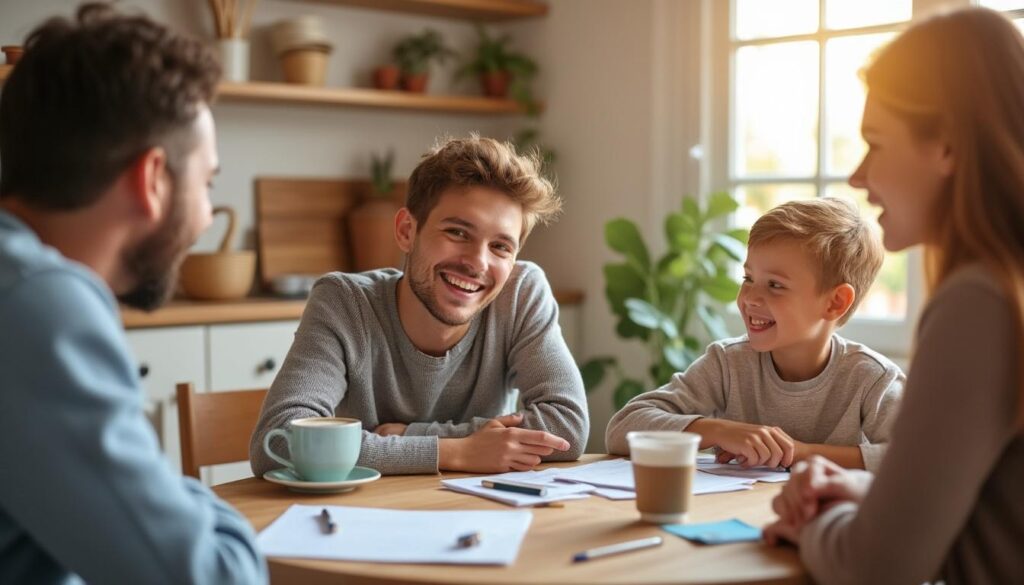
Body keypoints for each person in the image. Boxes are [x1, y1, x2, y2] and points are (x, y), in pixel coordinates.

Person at [0, 4, 266, 583]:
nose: (203, 217)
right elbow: (211, 575)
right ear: (152, 179)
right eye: (207, 182)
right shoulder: (39, 307)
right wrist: (201, 506)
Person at [763, 7, 1024, 584]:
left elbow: (876, 567)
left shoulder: (979, 304)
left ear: (949, 147)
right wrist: (864, 489)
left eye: (876, 143)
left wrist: (811, 524)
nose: (859, 176)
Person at [250, 135, 589, 476]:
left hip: (482, 515)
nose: (478, 263)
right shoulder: (344, 303)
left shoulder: (520, 294)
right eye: (457, 233)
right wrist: (455, 452)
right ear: (406, 231)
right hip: (363, 518)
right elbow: (278, 442)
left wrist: (413, 436)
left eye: (500, 246)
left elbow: (567, 429)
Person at [606, 197, 904, 472]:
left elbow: (913, 459)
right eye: (748, 278)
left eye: (775, 285)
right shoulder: (727, 363)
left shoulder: (872, 378)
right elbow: (622, 428)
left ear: (834, 302)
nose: (749, 297)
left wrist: (796, 452)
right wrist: (720, 430)